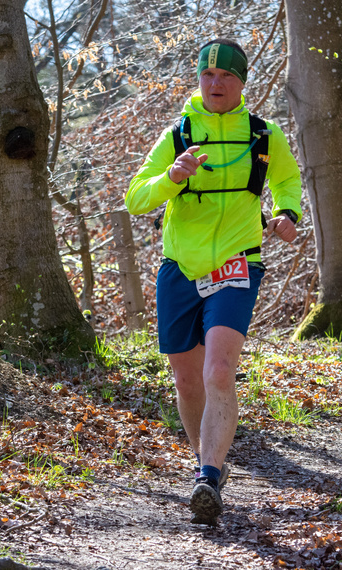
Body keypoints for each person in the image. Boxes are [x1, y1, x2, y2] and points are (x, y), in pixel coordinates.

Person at [125, 38, 303, 525]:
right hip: (180, 268)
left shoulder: (264, 136)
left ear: (242, 83)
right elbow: (135, 197)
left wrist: (287, 214)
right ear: (198, 80)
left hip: (238, 264)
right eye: (208, 75)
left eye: (226, 77)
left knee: (219, 371)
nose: (216, 84)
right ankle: (207, 466)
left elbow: (287, 183)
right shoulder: (179, 135)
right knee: (187, 381)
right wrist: (173, 178)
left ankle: (208, 473)